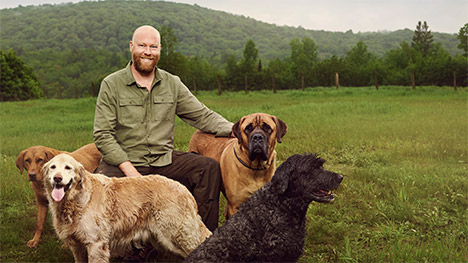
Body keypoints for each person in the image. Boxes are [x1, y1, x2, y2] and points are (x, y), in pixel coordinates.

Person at [93, 25, 233, 232]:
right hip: (125, 162)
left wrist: (239, 129)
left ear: (160, 50)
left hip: (163, 159)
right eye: (142, 45)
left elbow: (202, 116)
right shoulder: (112, 84)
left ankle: (202, 237)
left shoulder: (172, 83)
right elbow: (102, 134)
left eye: (153, 47)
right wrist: (130, 171)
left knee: (207, 168)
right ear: (132, 47)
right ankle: (129, 246)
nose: (148, 52)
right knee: (102, 188)